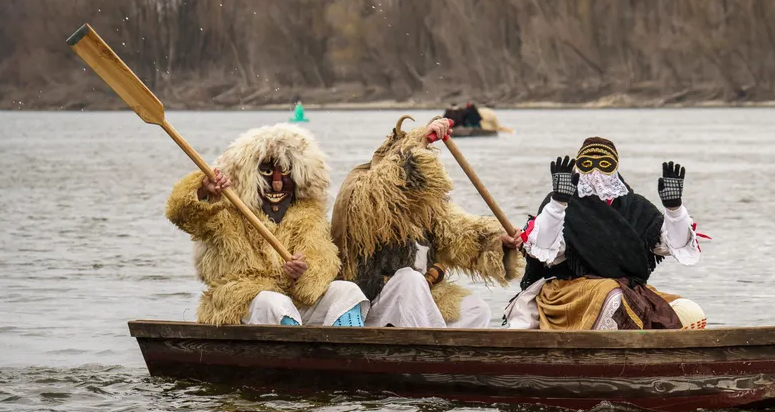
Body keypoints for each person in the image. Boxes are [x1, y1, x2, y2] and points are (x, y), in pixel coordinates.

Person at [165, 123, 367, 326]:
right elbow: (183, 216)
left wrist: (302, 273)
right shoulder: (224, 207)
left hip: (293, 302)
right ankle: (289, 353)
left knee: (347, 291)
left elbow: (323, 262)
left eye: (285, 172)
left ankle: (349, 351)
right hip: (242, 302)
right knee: (273, 302)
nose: (277, 184)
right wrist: (203, 192)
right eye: (268, 173)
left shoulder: (309, 215)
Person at [331, 116, 523, 328]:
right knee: (408, 279)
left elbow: (460, 232)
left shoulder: (427, 208)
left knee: (476, 309)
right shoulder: (362, 190)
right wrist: (420, 142)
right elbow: (382, 196)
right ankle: (429, 350)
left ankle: (448, 355)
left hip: (424, 295)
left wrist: (499, 241)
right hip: (373, 299)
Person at [505, 136, 706, 330]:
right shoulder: (563, 203)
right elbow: (544, 250)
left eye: (604, 164)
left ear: (615, 168)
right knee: (611, 294)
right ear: (578, 166)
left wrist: (674, 209)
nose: (595, 172)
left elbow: (674, 245)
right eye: (586, 164)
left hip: (628, 290)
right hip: (567, 293)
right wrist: (558, 203)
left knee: (689, 311)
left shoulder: (635, 206)